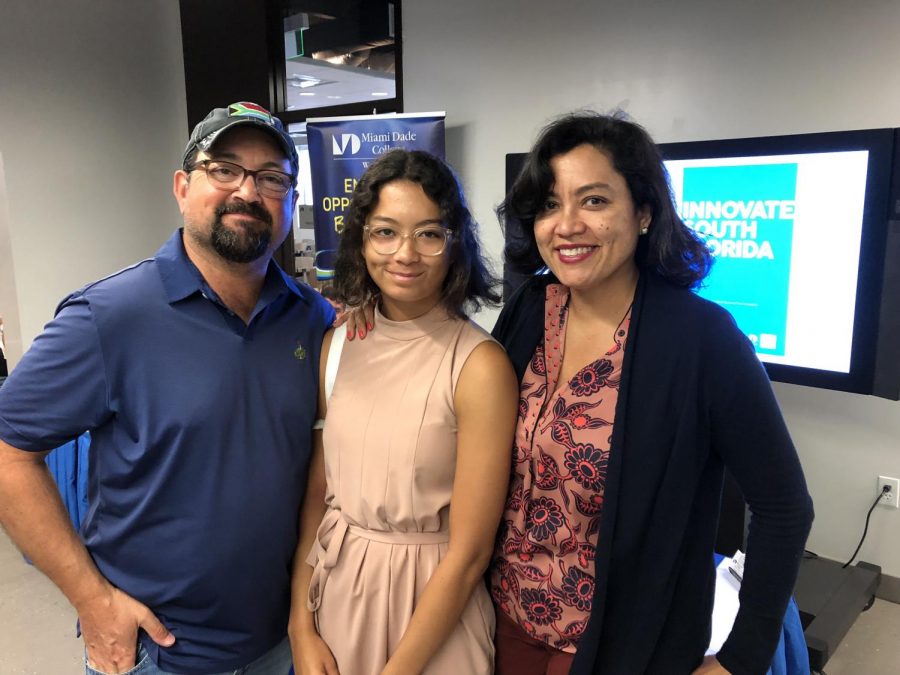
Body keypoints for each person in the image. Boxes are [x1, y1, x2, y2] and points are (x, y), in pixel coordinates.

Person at [0, 101, 334, 674]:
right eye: (223, 169)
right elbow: (8, 453)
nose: (248, 193)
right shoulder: (108, 316)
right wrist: (92, 600)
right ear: (183, 187)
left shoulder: (313, 319)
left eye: (272, 178)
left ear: (292, 202)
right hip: (157, 653)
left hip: (282, 644)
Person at [488, 112, 814, 675]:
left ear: (643, 213)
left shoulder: (702, 339)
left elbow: (784, 508)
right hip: (503, 625)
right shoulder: (527, 311)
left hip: (623, 647)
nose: (566, 224)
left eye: (593, 201)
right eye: (548, 204)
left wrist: (741, 658)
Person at [289, 149, 518, 675]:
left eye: (429, 234)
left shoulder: (479, 366)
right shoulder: (339, 344)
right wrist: (300, 624)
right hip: (338, 595)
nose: (405, 254)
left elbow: (470, 555)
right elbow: (318, 500)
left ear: (453, 243)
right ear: (362, 241)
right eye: (385, 232)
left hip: (433, 615)